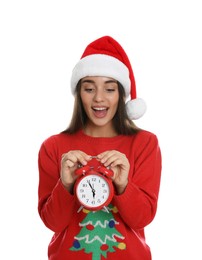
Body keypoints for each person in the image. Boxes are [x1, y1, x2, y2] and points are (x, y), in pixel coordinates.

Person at [38, 35, 162, 260]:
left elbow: (142, 218)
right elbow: (52, 222)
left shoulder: (145, 143)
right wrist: (65, 185)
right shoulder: (53, 147)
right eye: (89, 89)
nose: (99, 99)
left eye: (110, 89)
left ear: (121, 94)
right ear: (79, 94)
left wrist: (123, 184)